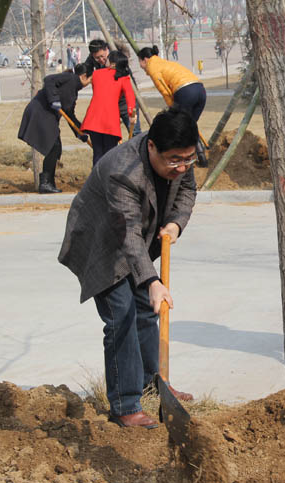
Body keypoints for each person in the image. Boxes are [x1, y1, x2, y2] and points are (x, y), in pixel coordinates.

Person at [58, 107, 199, 429]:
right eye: (174, 160)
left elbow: (188, 190)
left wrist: (176, 223)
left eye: (188, 159)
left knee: (146, 311)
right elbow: (127, 233)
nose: (182, 167)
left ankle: (153, 382)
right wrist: (152, 280)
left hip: (135, 239)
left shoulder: (181, 156)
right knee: (121, 315)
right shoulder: (122, 170)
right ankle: (125, 405)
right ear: (152, 147)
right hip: (102, 242)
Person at [18, 62, 93, 193]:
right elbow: (49, 80)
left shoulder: (73, 90)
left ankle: (49, 183)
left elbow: (69, 114)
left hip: (47, 116)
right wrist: (54, 99)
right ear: (84, 76)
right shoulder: (70, 78)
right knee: (54, 147)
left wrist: (80, 132)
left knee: (56, 148)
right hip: (40, 112)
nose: (90, 83)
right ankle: (45, 184)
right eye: (90, 80)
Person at [138, 45, 207, 166]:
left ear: (145, 60)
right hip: (200, 90)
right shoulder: (164, 63)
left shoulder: (153, 67)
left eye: (140, 61)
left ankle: (191, 157)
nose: (140, 66)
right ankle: (201, 156)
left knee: (181, 126)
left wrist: (172, 109)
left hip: (185, 91)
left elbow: (164, 90)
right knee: (189, 125)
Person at [81, 50, 136, 165]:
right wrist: (132, 114)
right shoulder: (124, 78)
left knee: (98, 152)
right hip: (110, 119)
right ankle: (107, 175)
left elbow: (98, 92)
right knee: (110, 153)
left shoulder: (96, 74)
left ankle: (96, 175)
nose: (105, 60)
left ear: (113, 62)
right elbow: (130, 96)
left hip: (94, 118)